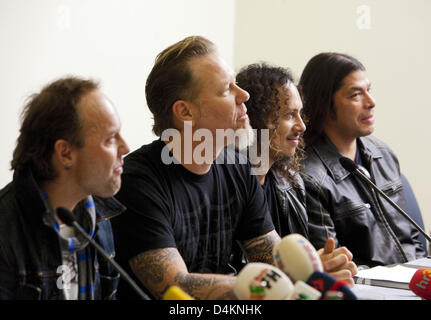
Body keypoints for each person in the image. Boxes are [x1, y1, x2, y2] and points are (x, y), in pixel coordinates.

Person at [111, 36, 355, 300]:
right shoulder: (138, 181)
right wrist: (265, 285)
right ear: (185, 112)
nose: (244, 96)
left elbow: (271, 260)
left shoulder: (237, 167)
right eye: (226, 89)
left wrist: (312, 274)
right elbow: (173, 286)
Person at [0, 76, 130, 300]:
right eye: (110, 139)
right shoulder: (5, 231)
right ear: (65, 153)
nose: (126, 148)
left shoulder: (100, 216)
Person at [298, 52, 426, 267]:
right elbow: (334, 265)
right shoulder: (310, 176)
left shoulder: (382, 153)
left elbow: (413, 239)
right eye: (356, 95)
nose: (371, 102)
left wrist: (417, 272)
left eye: (369, 90)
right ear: (325, 104)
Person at [236, 62, 357, 284]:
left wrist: (323, 266)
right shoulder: (225, 187)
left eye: (300, 114)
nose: (301, 126)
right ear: (256, 119)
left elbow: (301, 270)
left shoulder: (291, 182)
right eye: (290, 115)